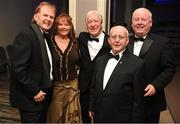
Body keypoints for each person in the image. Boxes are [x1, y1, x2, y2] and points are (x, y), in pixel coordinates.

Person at [9, 2, 56, 123]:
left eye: (51, 17)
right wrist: (34, 91)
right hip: (31, 98)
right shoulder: (26, 35)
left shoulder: (45, 37)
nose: (48, 19)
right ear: (36, 17)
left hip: (44, 94)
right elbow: (18, 69)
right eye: (45, 15)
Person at [127, 7, 176, 123]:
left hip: (150, 101)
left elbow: (169, 69)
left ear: (150, 23)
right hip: (126, 100)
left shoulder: (162, 43)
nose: (139, 22)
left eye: (143, 19)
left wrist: (155, 85)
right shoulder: (124, 41)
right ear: (132, 23)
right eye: (136, 19)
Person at [88, 25, 145, 123]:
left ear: (127, 41)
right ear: (109, 40)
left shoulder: (137, 63)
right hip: (99, 114)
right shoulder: (100, 60)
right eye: (114, 37)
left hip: (122, 117)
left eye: (121, 37)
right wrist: (91, 107)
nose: (117, 40)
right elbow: (94, 86)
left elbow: (138, 100)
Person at [47, 13, 82, 123]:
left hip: (72, 85)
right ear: (56, 26)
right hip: (56, 86)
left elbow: (82, 62)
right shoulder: (49, 41)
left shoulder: (76, 42)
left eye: (66, 24)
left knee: (72, 116)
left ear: (70, 26)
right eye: (60, 24)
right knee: (55, 115)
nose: (63, 27)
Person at [78, 10, 111, 123]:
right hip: (85, 87)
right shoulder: (82, 38)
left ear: (101, 22)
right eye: (89, 22)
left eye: (96, 21)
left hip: (102, 87)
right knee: (85, 118)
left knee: (101, 118)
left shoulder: (110, 41)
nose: (92, 24)